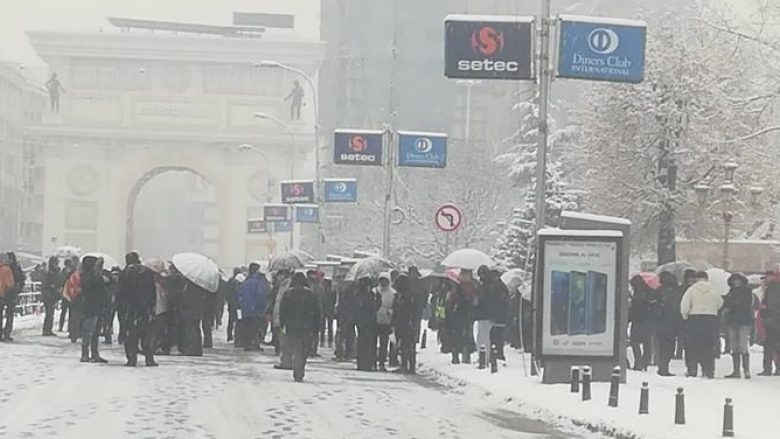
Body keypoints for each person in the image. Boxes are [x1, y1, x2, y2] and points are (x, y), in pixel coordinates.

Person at [680, 271, 723, 378]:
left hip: (695, 319)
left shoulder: (691, 290)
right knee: (708, 346)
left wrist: (686, 317)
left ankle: (692, 369)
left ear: (696, 279)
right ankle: (708, 370)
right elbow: (720, 303)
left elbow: (684, 306)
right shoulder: (714, 290)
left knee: (692, 346)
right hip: (711, 320)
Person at [119, 252, 157, 367]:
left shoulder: (125, 273)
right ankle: (149, 358)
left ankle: (131, 358)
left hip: (129, 307)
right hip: (144, 307)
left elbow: (121, 292)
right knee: (146, 333)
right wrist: (152, 306)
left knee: (130, 334)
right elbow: (152, 291)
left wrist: (120, 307)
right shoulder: (148, 272)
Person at [279, 272, 319, 382]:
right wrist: (316, 327)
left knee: (296, 348)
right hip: (307, 326)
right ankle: (300, 369)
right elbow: (317, 311)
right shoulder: (311, 294)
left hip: (292, 325)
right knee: (304, 349)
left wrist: (283, 324)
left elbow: (282, 310)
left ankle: (297, 368)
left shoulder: (288, 294)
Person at [722, 273, 754, 379]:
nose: (736, 282)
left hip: (743, 322)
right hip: (733, 321)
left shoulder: (747, 292)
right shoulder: (731, 292)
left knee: (742, 345)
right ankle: (736, 371)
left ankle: (746, 370)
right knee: (734, 346)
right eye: (734, 280)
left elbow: (744, 305)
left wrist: (731, 304)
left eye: (737, 280)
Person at [79, 256, 108, 363]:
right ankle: (88, 354)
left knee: (92, 332)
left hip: (90, 306)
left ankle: (90, 353)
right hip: (93, 307)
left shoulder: (85, 276)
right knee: (90, 332)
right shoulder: (93, 277)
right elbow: (98, 291)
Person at [237, 263, 269, 351]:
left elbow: (239, 294)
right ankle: (253, 343)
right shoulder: (260, 281)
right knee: (255, 327)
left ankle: (247, 344)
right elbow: (262, 295)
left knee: (247, 326)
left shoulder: (246, 281)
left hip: (246, 309)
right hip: (256, 309)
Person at [656, 271, 681, 376]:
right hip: (672, 322)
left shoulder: (659, 290)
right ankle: (664, 366)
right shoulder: (676, 291)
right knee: (670, 346)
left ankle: (662, 365)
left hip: (661, 322)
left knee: (663, 345)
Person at [392, 274, 418, 374]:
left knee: (407, 345)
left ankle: (408, 366)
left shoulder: (408, 295)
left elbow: (409, 309)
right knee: (405, 345)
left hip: (406, 322)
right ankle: (408, 365)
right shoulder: (401, 295)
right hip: (402, 322)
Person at [629, 275, 654, 371]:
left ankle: (638, 361)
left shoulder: (637, 293)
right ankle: (645, 362)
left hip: (638, 321)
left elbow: (634, 308)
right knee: (647, 343)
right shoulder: (650, 291)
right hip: (648, 321)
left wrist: (630, 318)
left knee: (634, 342)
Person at [355, 276, 380, 371]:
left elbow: (377, 305)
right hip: (363, 321)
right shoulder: (361, 295)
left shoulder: (373, 295)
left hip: (370, 321)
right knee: (363, 342)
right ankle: (363, 363)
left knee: (369, 343)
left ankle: (368, 362)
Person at [447, 275, 472, 364]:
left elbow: (450, 307)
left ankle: (456, 356)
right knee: (463, 338)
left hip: (457, 318)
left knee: (456, 338)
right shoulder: (466, 292)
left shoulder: (454, 294)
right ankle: (464, 356)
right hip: (463, 318)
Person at [0, 252, 26, 341]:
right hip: (10, 292)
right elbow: (20, 279)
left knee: (6, 314)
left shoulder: (6, 268)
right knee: (9, 315)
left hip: (6, 293)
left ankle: (4, 333)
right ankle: (7, 333)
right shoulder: (11, 268)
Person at [760, 272, 780, 376]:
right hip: (775, 320)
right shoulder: (771, 288)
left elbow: (769, 305)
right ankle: (776, 368)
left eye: (766, 278)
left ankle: (768, 368)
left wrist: (766, 315)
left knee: (769, 345)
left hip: (773, 321)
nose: (764, 280)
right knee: (776, 345)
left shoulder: (773, 288)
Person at [272, 269, 293, 368]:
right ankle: (286, 360)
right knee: (283, 340)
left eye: (279, 275)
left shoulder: (286, 286)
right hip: (280, 316)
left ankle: (287, 361)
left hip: (283, 317)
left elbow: (282, 303)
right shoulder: (281, 286)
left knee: (285, 341)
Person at [374, 273, 395, 371]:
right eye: (381, 280)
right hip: (375, 320)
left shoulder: (392, 293)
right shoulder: (374, 291)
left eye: (385, 280)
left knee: (384, 343)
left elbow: (394, 307)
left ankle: (382, 362)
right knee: (373, 342)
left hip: (386, 321)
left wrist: (389, 312)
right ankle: (373, 361)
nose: (383, 283)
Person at [335, 281, 358, 361]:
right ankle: (346, 353)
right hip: (348, 318)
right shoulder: (353, 294)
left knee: (343, 336)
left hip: (346, 318)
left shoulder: (347, 292)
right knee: (348, 337)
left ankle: (341, 353)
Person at [41, 256, 62, 336]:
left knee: (50, 313)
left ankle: (48, 328)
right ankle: (47, 329)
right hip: (49, 295)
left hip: (52, 294)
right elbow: (47, 284)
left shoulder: (54, 272)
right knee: (49, 313)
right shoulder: (49, 273)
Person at [306, 270, 323, 357]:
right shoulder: (314, 286)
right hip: (313, 311)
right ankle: (311, 349)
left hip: (314, 311)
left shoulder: (317, 285)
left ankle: (312, 349)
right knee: (313, 332)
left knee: (314, 332)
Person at [226, 268, 242, 343]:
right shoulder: (242, 281)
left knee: (231, 321)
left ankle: (229, 336)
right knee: (238, 321)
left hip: (232, 305)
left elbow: (227, 293)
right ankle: (237, 336)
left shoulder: (230, 281)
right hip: (238, 306)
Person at [58, 259, 74, 333]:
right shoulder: (64, 273)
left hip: (68, 294)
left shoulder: (67, 273)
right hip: (66, 293)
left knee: (69, 312)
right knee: (64, 311)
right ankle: (61, 326)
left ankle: (69, 327)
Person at [320, 278, 336, 348]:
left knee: (329, 326)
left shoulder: (331, 291)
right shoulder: (328, 291)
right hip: (326, 309)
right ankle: (323, 340)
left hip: (328, 309)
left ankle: (329, 340)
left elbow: (334, 300)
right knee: (324, 326)